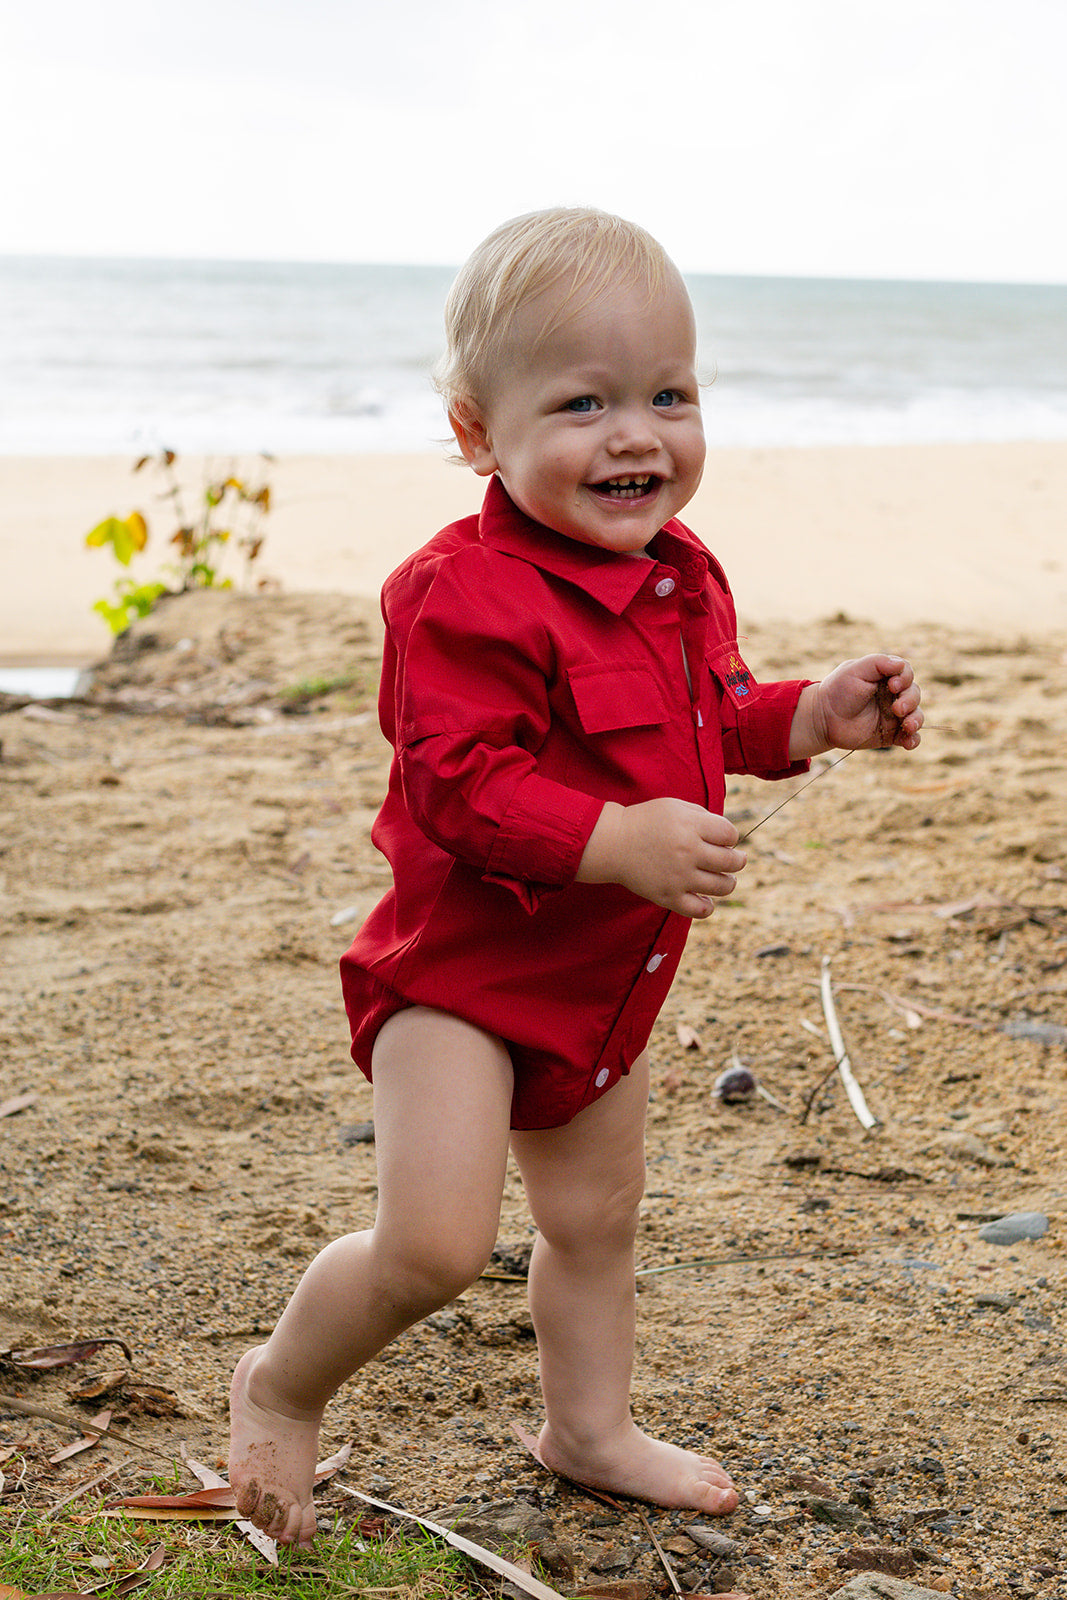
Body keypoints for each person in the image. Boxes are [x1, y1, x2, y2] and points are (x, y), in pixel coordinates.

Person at [229, 207, 923, 1551]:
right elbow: (459, 785)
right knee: (434, 1248)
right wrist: (620, 843)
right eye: (584, 402)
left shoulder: (682, 577)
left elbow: (710, 716)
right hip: (462, 981)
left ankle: (586, 1430)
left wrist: (811, 716)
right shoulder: (458, 592)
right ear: (478, 433)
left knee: (595, 1220)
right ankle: (281, 1384)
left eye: (671, 394)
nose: (637, 436)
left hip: (599, 982)